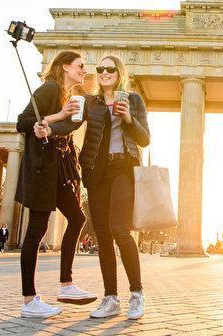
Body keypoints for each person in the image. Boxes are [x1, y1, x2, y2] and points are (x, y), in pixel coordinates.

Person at [43, 54, 150, 320]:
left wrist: (128, 120)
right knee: (103, 236)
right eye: (100, 68)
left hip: (123, 168)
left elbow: (145, 138)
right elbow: (70, 124)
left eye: (109, 68)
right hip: (98, 172)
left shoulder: (132, 100)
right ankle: (111, 298)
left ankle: (136, 293)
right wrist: (48, 126)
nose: (103, 72)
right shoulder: (90, 102)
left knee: (120, 230)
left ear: (119, 72)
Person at [16, 50, 96, 318]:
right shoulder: (50, 88)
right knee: (36, 230)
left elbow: (67, 125)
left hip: (59, 170)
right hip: (41, 169)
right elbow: (23, 121)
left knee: (76, 218)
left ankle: (66, 285)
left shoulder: (68, 95)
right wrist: (52, 118)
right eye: (79, 66)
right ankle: (29, 300)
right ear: (64, 67)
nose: (84, 70)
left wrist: (56, 121)